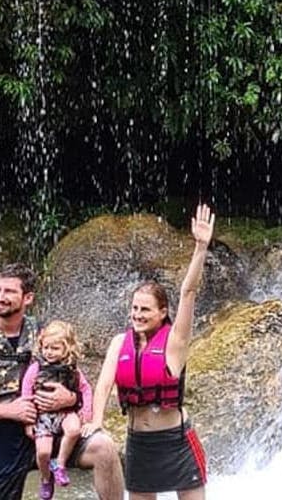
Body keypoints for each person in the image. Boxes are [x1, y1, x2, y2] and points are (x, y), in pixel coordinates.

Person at [0, 263, 124, 500]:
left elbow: (76, 380)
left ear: (27, 298)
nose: (0, 297)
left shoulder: (41, 334)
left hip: (47, 431)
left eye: (9, 291)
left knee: (104, 448)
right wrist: (8, 411)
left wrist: (71, 398)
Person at [83, 203, 215, 500]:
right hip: (139, 442)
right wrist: (97, 421)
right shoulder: (120, 343)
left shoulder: (175, 342)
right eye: (134, 308)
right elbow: (104, 385)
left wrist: (200, 247)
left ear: (162, 312)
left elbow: (188, 292)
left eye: (145, 309)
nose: (138, 314)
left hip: (176, 440)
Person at [20, 320, 93, 499]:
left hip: (65, 413)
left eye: (55, 348)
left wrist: (86, 413)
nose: (49, 352)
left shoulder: (73, 370)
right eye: (46, 348)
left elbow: (86, 389)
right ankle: (46, 479)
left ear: (66, 349)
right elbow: (26, 392)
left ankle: (60, 465)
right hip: (42, 417)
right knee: (43, 452)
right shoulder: (36, 368)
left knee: (74, 429)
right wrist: (28, 421)